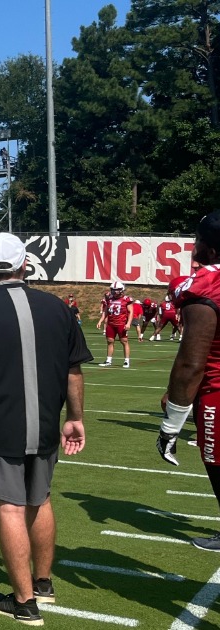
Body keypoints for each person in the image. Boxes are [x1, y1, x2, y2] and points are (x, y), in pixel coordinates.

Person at [0, 232, 89, 625]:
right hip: (45, 422)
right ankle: (43, 583)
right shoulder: (58, 308)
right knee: (39, 499)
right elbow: (73, 370)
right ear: (26, 263)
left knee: (9, 506)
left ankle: (24, 603)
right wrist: (75, 417)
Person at [156, 211, 220, 551]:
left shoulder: (206, 284)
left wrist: (172, 424)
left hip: (217, 392)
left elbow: (192, 362)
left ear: (208, 249)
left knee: (217, 461)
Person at [95, 281, 135, 367]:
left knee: (124, 341)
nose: (114, 292)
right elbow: (106, 311)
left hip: (121, 323)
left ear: (122, 290)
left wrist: (128, 323)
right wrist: (100, 320)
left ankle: (126, 361)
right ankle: (108, 360)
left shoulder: (126, 299)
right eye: (113, 290)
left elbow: (131, 312)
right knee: (110, 341)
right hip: (111, 323)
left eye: (117, 290)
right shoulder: (109, 299)